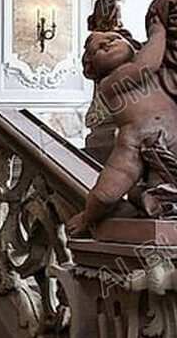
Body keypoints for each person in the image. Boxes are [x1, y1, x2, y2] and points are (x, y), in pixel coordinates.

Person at [67, 31, 177, 235]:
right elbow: (145, 66)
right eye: (99, 49)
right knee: (106, 193)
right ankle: (87, 217)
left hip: (170, 136)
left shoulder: (159, 73)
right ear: (93, 69)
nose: (108, 43)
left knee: (161, 187)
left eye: (113, 38)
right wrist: (158, 30)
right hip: (137, 141)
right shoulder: (110, 83)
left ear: (132, 46)